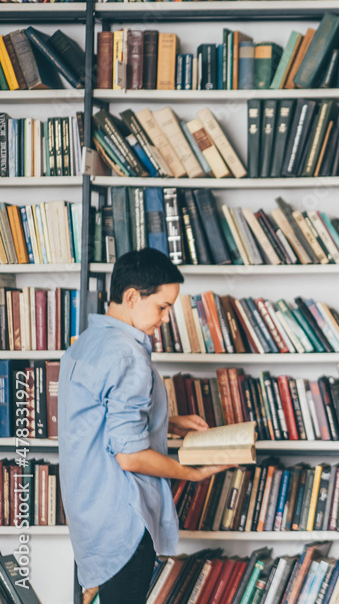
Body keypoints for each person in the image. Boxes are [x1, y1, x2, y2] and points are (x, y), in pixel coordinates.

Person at [59, 248, 234, 603]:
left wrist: (165, 420)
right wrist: (192, 473)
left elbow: (99, 417)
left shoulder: (84, 345)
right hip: (122, 523)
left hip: (87, 519)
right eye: (162, 307)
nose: (166, 319)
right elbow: (131, 456)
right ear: (132, 297)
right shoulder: (127, 355)